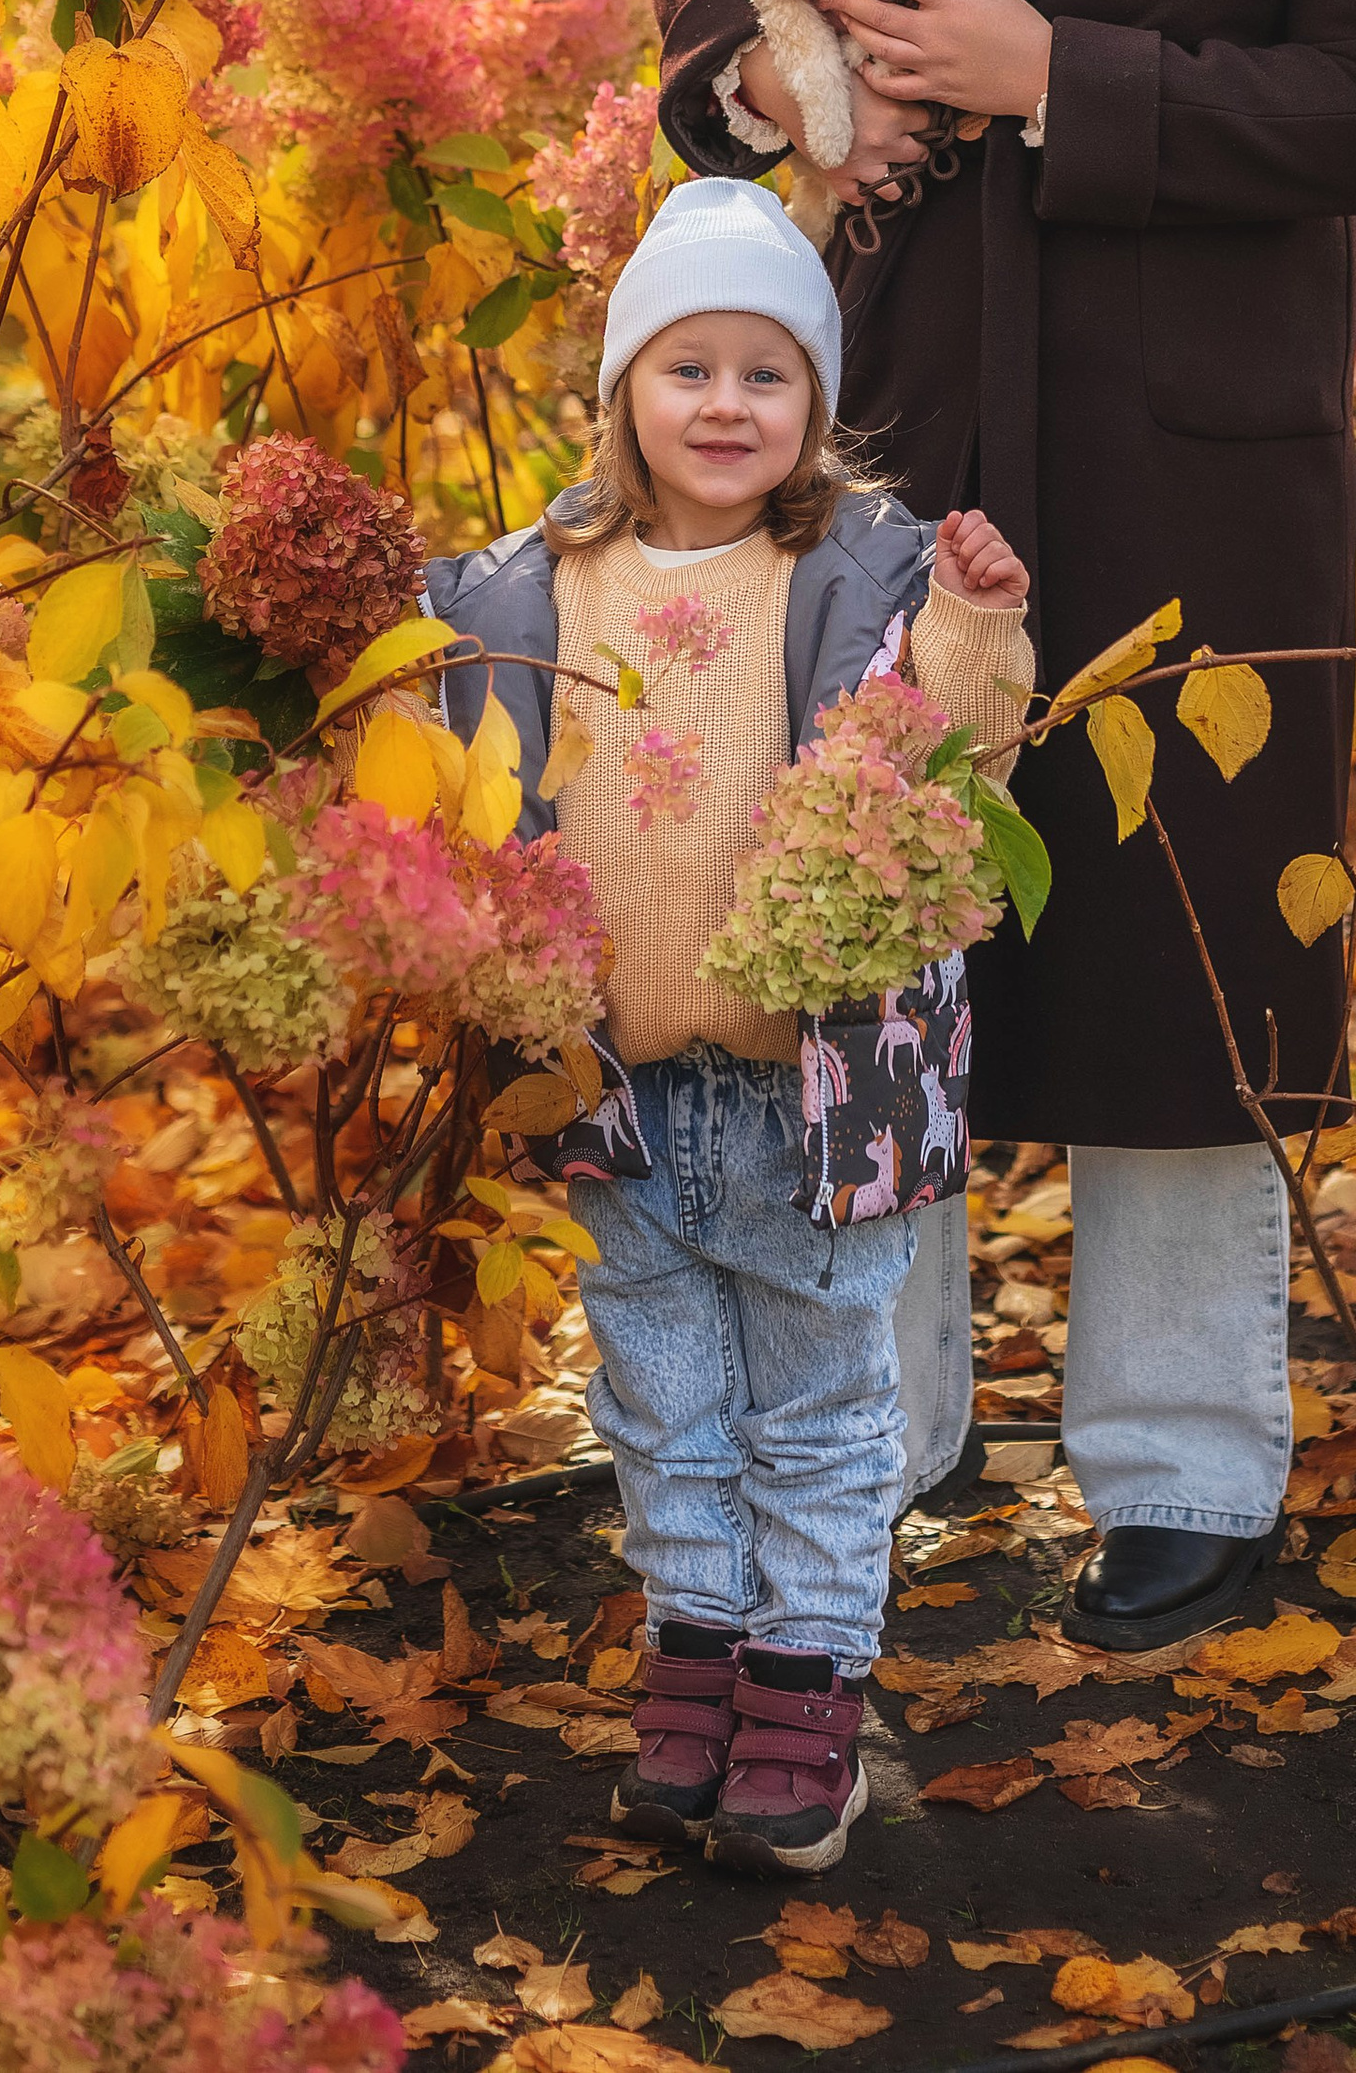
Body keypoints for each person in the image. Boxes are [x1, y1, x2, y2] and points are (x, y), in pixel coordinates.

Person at [651, 0, 1356, 1654]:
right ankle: (867, 1449)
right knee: (872, 918)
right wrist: (773, 78)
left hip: (1186, 423)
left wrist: (1049, 67)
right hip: (907, 412)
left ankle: (1186, 1469)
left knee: (1176, 951)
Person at [422, 178, 1034, 1871]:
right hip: (616, 1083)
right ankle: (695, 1655)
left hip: (808, 1093)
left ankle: (810, 1690)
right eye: (686, 368)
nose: (725, 406)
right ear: (622, 389)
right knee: (661, 1400)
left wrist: (980, 615)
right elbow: (433, 757)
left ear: (816, 408)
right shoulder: (531, 587)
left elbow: (960, 757)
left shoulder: (858, 569)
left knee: (824, 1412)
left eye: (767, 376)